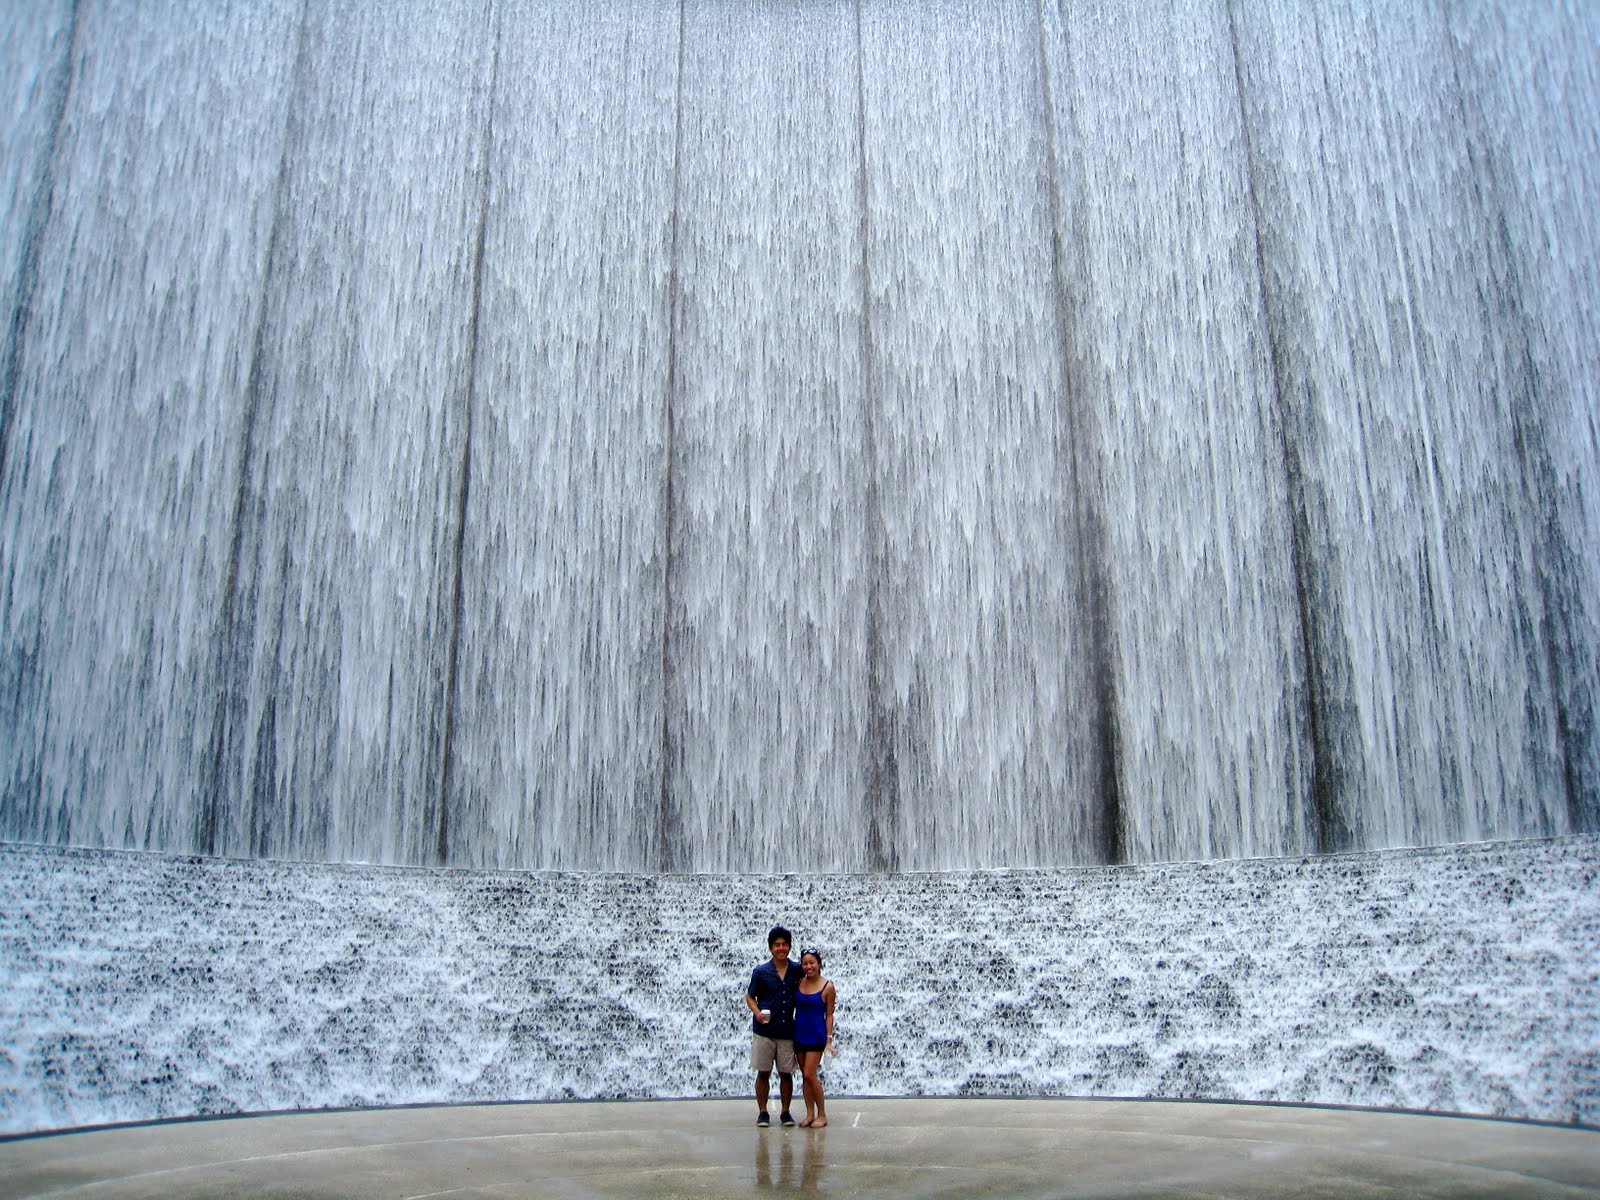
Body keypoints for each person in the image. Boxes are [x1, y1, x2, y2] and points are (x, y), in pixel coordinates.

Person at [745, 925, 801, 1127]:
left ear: (790, 947)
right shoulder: (761, 972)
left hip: (787, 1030)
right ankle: (763, 1112)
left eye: (784, 944)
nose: (781, 948)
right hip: (764, 1031)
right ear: (770, 948)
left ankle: (786, 1112)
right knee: (763, 1072)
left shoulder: (797, 970)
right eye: (777, 945)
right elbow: (750, 997)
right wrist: (757, 1012)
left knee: (786, 1073)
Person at [793, 947, 836, 1127]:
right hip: (799, 1033)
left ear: (819, 964)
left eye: (812, 963)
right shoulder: (798, 982)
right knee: (805, 1075)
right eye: (805, 963)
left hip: (816, 1035)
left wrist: (828, 1039)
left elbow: (830, 1014)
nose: (808, 966)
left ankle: (822, 1114)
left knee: (811, 1074)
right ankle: (810, 1114)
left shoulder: (828, 986)